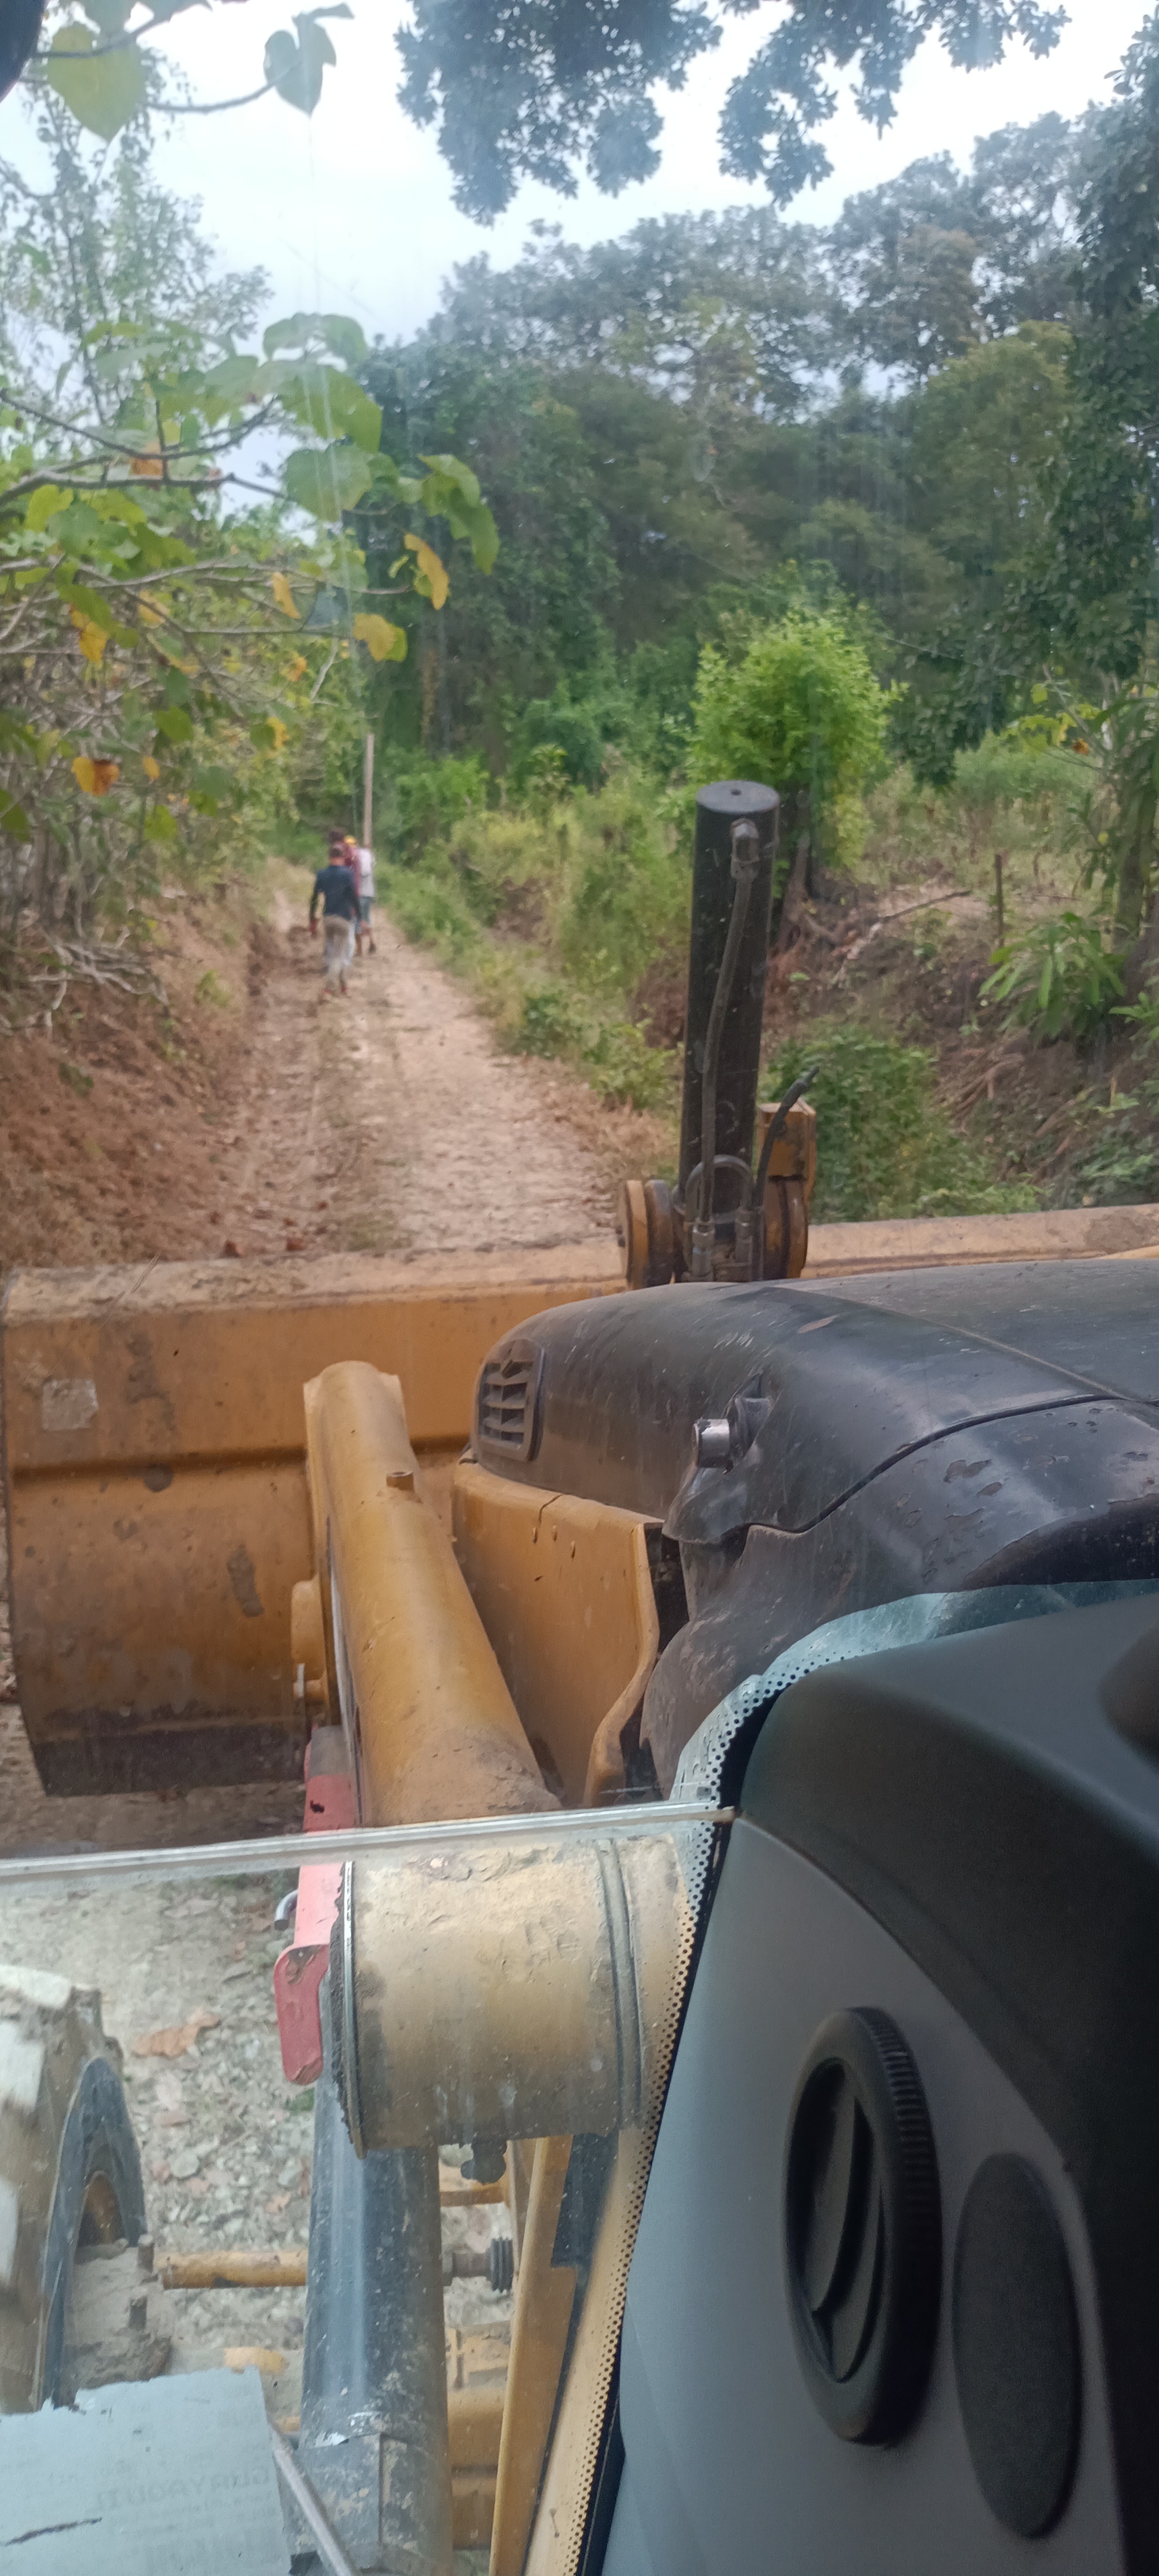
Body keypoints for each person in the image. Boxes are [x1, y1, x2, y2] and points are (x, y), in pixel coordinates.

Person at [309, 835, 361, 998]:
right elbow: (354, 896)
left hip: (328, 919)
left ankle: (344, 986)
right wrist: (360, 916)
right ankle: (328, 989)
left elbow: (314, 899)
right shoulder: (347, 874)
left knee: (334, 954)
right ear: (342, 858)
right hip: (343, 919)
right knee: (339, 956)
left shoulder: (322, 874)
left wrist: (312, 920)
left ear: (329, 858)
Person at [353, 837, 376, 955]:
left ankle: (359, 950)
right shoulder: (369, 856)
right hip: (370, 893)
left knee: (358, 920)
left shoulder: (356, 856)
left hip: (360, 893)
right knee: (367, 918)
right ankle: (372, 942)